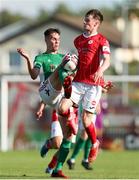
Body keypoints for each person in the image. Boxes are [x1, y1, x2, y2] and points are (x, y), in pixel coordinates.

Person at [51, 9, 111, 178]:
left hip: (93, 86)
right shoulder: (78, 40)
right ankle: (71, 118)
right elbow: (77, 62)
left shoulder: (102, 40)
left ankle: (94, 143)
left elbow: (107, 60)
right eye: (84, 21)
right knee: (62, 108)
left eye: (87, 21)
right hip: (77, 83)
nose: (84, 23)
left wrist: (100, 70)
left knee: (86, 121)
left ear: (96, 23)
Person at [17, 28, 77, 174]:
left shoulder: (63, 57)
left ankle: (57, 169)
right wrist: (27, 59)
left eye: (58, 39)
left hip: (60, 100)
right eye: (53, 38)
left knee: (65, 140)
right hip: (46, 92)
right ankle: (69, 92)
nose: (56, 41)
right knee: (63, 67)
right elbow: (33, 75)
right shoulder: (41, 58)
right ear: (46, 40)